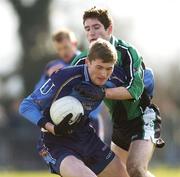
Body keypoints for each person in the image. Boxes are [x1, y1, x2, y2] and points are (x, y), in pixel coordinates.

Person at [71, 7, 164, 177]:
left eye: (96, 27)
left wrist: (101, 93)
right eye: (87, 29)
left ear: (109, 29)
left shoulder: (127, 52)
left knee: (135, 168)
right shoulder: (82, 61)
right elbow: (66, 91)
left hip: (142, 118)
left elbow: (134, 90)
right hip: (119, 125)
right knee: (117, 174)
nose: (91, 32)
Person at [19, 39, 129, 177]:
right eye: (99, 67)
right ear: (88, 62)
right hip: (55, 143)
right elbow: (26, 106)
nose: (103, 74)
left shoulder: (112, 80)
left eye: (109, 68)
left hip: (86, 137)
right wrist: (52, 127)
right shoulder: (64, 76)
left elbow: (135, 88)